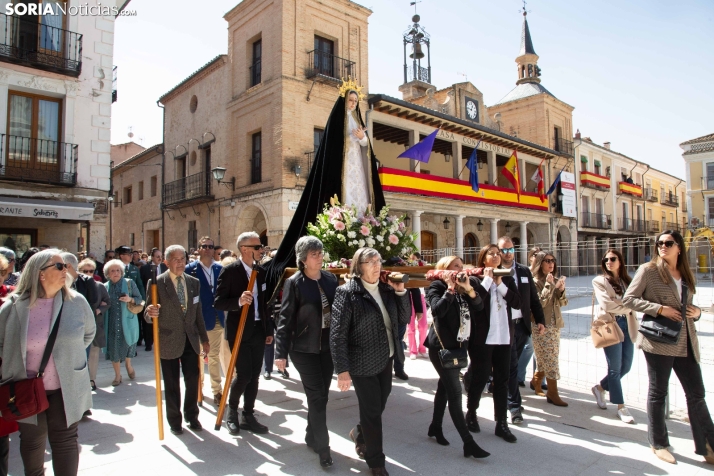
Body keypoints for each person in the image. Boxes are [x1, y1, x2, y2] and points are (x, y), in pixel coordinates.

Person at [265, 81, 386, 302]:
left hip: (357, 170)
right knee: (346, 198)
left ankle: (362, 227)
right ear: (343, 102)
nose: (352, 104)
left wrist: (361, 138)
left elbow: (367, 148)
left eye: (355, 101)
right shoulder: (336, 123)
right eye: (349, 100)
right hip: (343, 173)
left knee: (360, 199)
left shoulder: (359, 122)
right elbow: (332, 149)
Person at [0, 250, 95, 476]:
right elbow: (2, 343)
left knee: (65, 441)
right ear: (40, 273)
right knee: (33, 444)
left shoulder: (76, 301)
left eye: (66, 266)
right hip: (25, 388)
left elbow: (88, 335)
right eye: (59, 267)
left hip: (66, 387)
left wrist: (65, 355)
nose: (66, 271)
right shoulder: (13, 306)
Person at [623, 231, 714, 465]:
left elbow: (688, 305)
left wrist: (698, 313)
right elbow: (629, 299)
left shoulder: (685, 273)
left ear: (679, 248)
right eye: (660, 243)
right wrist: (659, 309)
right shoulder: (649, 270)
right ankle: (659, 443)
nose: (663, 246)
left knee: (696, 394)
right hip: (660, 340)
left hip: (686, 341)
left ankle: (708, 445)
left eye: (668, 243)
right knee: (658, 393)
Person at [331, 247, 410, 476]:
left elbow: (404, 318)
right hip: (362, 362)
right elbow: (337, 335)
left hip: (387, 357)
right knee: (373, 412)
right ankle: (376, 462)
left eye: (379, 261)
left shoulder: (387, 290)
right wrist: (342, 370)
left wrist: (400, 292)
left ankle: (360, 431)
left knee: (379, 404)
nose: (376, 265)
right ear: (359, 266)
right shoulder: (347, 293)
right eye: (370, 261)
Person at [274, 236, 338, 468]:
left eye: (320, 253)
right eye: (314, 254)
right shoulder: (294, 282)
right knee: (317, 396)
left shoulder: (332, 279)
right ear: (303, 259)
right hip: (303, 348)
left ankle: (312, 435)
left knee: (322, 396)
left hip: (327, 347)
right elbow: (285, 318)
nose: (319, 257)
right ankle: (324, 447)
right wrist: (280, 352)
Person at [425, 256, 490, 459]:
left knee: (444, 388)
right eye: (456, 267)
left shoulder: (466, 287)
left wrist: (469, 289)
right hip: (442, 348)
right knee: (454, 392)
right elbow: (437, 310)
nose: (461, 270)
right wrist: (450, 289)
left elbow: (479, 307)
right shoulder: (436, 286)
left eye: (462, 266)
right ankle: (468, 443)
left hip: (459, 347)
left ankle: (435, 426)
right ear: (445, 269)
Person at [145, 245, 210, 435]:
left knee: (192, 380)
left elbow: (197, 313)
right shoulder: (156, 283)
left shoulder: (193, 282)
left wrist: (204, 339)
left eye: (183, 259)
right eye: (175, 259)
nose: (180, 263)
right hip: (168, 339)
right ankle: (174, 421)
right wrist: (150, 313)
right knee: (172, 383)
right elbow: (148, 313)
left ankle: (192, 416)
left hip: (190, 338)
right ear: (166, 262)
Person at [214, 232, 274, 435]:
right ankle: (232, 411)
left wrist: (268, 329)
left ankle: (248, 414)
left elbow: (265, 303)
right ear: (245, 249)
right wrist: (238, 302)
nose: (261, 250)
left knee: (255, 375)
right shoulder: (231, 271)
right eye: (258, 247)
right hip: (239, 330)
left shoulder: (261, 271)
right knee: (243, 375)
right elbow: (219, 301)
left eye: (261, 247)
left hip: (258, 329)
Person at [465, 244, 521, 443]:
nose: (497, 256)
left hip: (504, 337)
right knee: (480, 377)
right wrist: (489, 280)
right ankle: (471, 412)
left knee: (502, 380)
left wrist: (501, 284)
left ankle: (501, 423)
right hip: (483, 338)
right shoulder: (475, 278)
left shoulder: (506, 278)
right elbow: (475, 301)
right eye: (492, 253)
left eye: (499, 253)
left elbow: (517, 302)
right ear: (483, 258)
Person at [497, 237, 546, 425]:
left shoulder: (524, 271)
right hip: (505, 325)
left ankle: (506, 394)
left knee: (512, 366)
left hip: (522, 326)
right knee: (511, 366)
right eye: (504, 250)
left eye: (510, 250)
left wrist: (539, 320)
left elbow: (533, 299)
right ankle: (514, 407)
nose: (507, 254)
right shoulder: (497, 272)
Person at [591, 249, 638, 423]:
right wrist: (628, 306)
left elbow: (635, 300)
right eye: (605, 260)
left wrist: (623, 304)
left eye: (612, 259)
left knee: (626, 366)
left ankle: (600, 387)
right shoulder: (599, 281)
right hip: (611, 325)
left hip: (627, 324)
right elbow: (607, 304)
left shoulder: (627, 281)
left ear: (620, 261)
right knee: (615, 368)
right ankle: (621, 407)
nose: (608, 262)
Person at [185, 236, 230, 405]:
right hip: (197, 320)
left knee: (213, 357)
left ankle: (217, 391)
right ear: (198, 249)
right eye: (204, 246)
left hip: (216, 319)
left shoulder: (220, 269)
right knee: (197, 356)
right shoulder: (190, 269)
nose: (208, 249)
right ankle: (198, 389)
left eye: (210, 246)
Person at [61, 253, 108, 398]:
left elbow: (92, 305)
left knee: (82, 362)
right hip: (62, 331)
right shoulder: (59, 281)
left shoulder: (87, 282)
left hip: (81, 329)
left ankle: (83, 398)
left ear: (68, 266)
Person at [530, 251, 568, 406]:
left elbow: (563, 303)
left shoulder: (555, 279)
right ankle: (552, 393)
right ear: (540, 263)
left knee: (547, 356)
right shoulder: (535, 282)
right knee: (550, 357)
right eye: (547, 261)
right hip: (541, 325)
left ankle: (536, 381)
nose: (551, 263)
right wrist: (549, 285)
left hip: (555, 324)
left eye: (552, 260)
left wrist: (560, 290)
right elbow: (539, 304)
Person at [102, 259, 142, 386]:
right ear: (108, 273)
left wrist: (129, 299)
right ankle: (117, 375)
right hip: (112, 322)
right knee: (114, 349)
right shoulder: (104, 287)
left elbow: (139, 298)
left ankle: (128, 364)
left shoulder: (129, 283)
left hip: (128, 321)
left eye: (118, 270)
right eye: (113, 271)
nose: (116, 273)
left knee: (129, 345)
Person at [139, 248, 168, 352]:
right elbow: (142, 283)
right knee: (148, 321)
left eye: (161, 256)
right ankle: (148, 343)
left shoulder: (165, 267)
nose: (160, 258)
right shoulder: (145, 268)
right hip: (150, 296)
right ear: (152, 257)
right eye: (157, 256)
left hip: (163, 298)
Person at [116, 246, 145, 346]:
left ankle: (133, 343)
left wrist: (142, 299)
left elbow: (139, 284)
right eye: (128, 254)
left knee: (133, 322)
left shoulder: (134, 268)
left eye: (131, 254)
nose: (131, 256)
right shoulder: (116, 268)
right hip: (121, 300)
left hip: (133, 300)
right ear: (121, 256)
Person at [407, 287, 427, 360]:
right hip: (409, 296)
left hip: (421, 296)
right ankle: (413, 351)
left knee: (423, 326)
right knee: (410, 327)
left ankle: (422, 348)